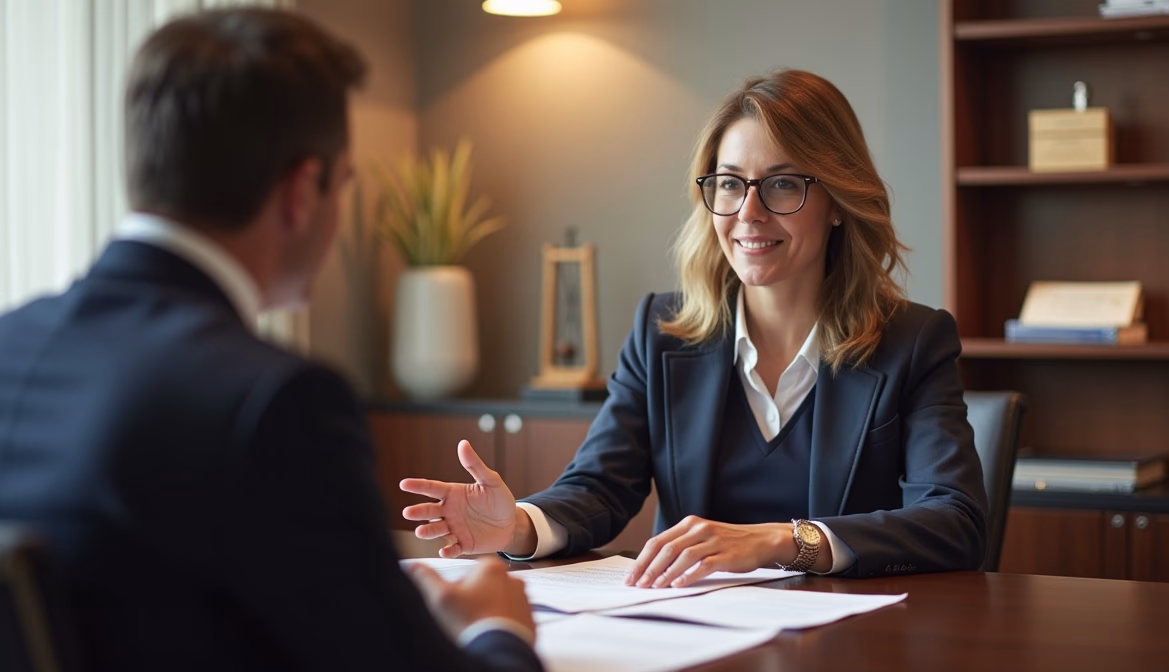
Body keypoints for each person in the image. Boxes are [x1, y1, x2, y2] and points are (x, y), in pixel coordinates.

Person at [0, 8, 541, 672]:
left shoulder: (11, 342)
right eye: (342, 186)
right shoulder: (273, 402)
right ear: (300, 191)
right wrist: (497, 628)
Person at [401, 70, 988, 585]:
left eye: (783, 183)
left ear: (836, 200)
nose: (748, 213)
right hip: (698, 633)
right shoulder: (662, 333)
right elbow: (599, 487)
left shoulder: (914, 343)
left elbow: (955, 521)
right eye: (730, 183)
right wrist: (519, 525)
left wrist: (783, 541)